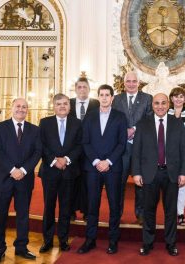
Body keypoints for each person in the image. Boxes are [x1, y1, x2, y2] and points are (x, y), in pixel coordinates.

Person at [132, 93, 185, 256]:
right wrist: (136, 172)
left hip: (171, 174)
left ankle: (171, 243)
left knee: (170, 211)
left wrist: (184, 172)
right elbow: (136, 151)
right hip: (150, 174)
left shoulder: (177, 123)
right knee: (148, 210)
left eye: (163, 103)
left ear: (168, 104)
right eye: (157, 103)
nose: (160, 106)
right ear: (152, 105)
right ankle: (147, 243)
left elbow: (184, 150)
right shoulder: (143, 124)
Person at [0, 98, 42, 264]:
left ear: (28, 110)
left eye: (24, 107)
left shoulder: (35, 130)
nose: (21, 109)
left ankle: (21, 248)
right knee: (0, 216)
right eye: (18, 106)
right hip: (2, 179)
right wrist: (13, 170)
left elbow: (37, 152)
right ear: (11, 108)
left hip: (24, 180)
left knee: (23, 216)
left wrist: (24, 170)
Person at [77, 85, 127, 254]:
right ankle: (90, 240)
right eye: (102, 95)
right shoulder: (89, 117)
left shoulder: (120, 117)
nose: (104, 98)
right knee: (92, 205)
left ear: (112, 98)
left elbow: (122, 143)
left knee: (114, 206)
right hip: (93, 168)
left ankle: (113, 241)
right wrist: (97, 161)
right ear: (98, 97)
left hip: (113, 168)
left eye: (107, 95)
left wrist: (109, 161)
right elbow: (85, 142)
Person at [38, 94, 83, 253]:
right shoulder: (45, 123)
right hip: (50, 172)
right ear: (54, 106)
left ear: (69, 106)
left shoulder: (77, 123)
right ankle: (47, 241)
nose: (62, 106)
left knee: (65, 208)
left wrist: (66, 159)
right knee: (48, 208)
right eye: (59, 104)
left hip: (69, 172)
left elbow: (80, 146)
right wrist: (54, 161)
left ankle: (63, 240)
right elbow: (41, 146)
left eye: (65, 103)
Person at [112, 71, 153, 224]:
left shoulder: (147, 98)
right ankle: (117, 212)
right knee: (119, 182)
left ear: (138, 82)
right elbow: (113, 119)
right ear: (124, 83)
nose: (131, 84)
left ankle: (141, 214)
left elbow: (149, 119)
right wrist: (124, 131)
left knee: (140, 183)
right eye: (128, 81)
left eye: (134, 81)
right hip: (121, 148)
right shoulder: (116, 99)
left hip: (141, 147)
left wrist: (134, 129)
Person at [69, 77, 100, 221]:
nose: (82, 89)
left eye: (85, 87)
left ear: (89, 89)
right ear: (75, 89)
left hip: (91, 149)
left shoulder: (97, 104)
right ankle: (70, 211)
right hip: (72, 149)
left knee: (89, 182)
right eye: (79, 87)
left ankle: (88, 212)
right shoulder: (68, 103)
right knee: (72, 181)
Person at [168, 87, 185, 226]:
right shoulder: (167, 112)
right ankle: (171, 212)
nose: (178, 99)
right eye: (175, 96)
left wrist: (182, 148)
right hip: (168, 154)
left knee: (182, 182)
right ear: (171, 98)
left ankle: (180, 213)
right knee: (170, 182)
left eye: (181, 96)